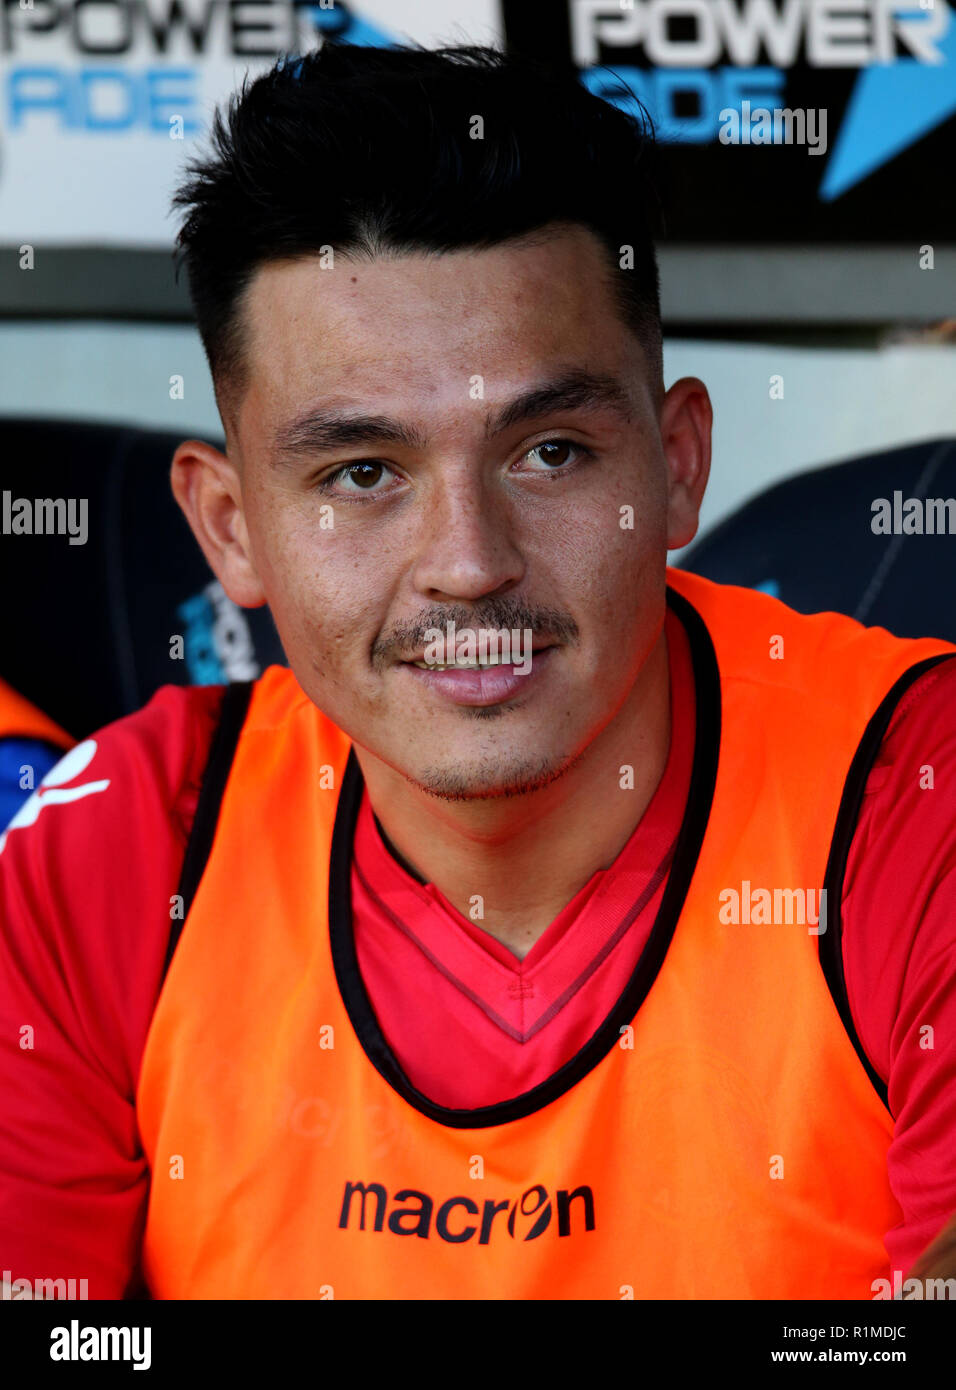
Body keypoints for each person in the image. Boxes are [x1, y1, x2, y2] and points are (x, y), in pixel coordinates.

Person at [1, 41, 954, 1302]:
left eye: (549, 452)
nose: (467, 564)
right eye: (362, 473)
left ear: (674, 465)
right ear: (230, 526)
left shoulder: (913, 795)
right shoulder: (107, 854)